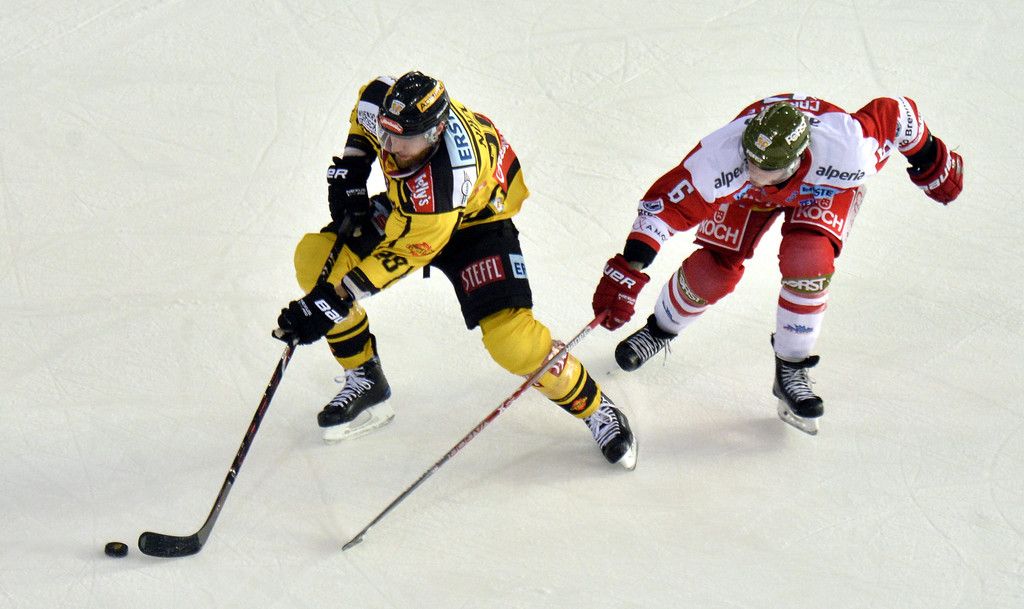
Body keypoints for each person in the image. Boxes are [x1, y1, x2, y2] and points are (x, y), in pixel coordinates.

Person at [273, 71, 637, 468]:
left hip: (476, 224)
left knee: (512, 341)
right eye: (386, 134)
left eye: (402, 141)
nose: (390, 148)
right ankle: (366, 378)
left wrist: (331, 302)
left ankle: (594, 406)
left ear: (435, 134)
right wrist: (354, 166)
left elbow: (403, 255)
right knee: (315, 259)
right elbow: (366, 107)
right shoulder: (393, 114)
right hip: (410, 212)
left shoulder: (446, 181)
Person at [591, 93, 964, 434]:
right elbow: (662, 210)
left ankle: (791, 368)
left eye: (765, 167)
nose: (753, 171)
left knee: (809, 259)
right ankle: (660, 329)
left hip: (821, 189)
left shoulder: (849, 149)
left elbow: (896, 114)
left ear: (797, 158)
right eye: (750, 159)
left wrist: (930, 156)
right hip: (748, 198)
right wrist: (628, 270)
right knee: (712, 270)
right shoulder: (723, 158)